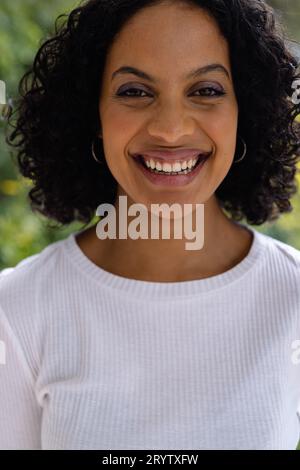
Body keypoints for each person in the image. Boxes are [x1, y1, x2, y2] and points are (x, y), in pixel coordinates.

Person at [1, 0, 300, 450]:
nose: (171, 129)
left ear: (247, 111)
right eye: (135, 91)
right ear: (93, 114)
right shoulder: (18, 310)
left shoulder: (293, 299)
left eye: (207, 90)